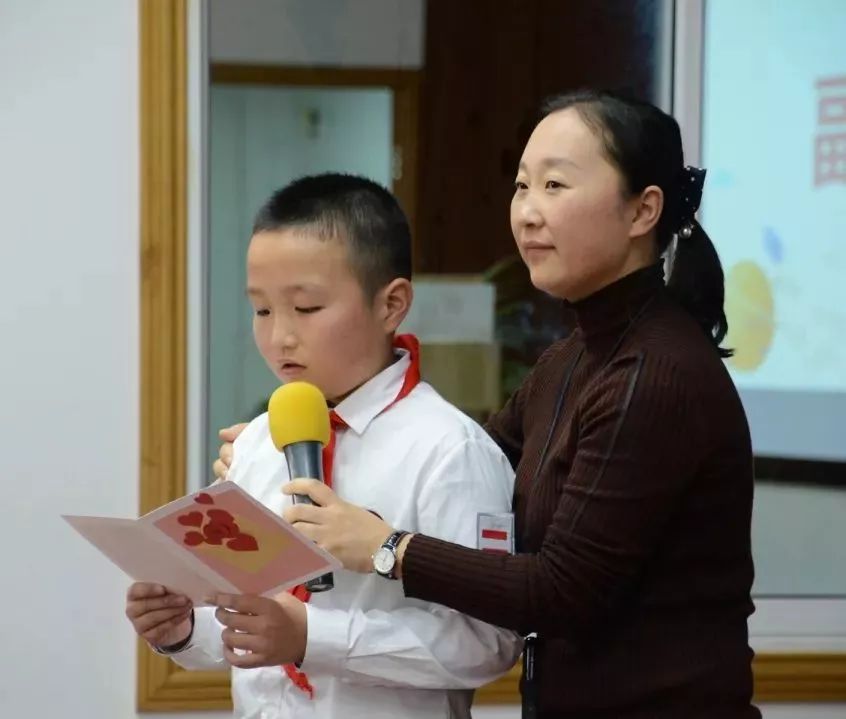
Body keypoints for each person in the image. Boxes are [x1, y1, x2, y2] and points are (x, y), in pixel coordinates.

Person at [216, 91, 762, 719]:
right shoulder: (571, 358)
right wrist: (276, 451)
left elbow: (563, 591)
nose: (528, 212)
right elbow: (470, 460)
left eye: (555, 185)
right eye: (522, 185)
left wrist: (387, 547)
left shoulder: (656, 374)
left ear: (643, 210)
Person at [126, 173, 522, 719]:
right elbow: (249, 625)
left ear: (392, 304)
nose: (279, 336)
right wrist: (185, 627)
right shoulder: (258, 442)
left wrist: (314, 636)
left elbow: (488, 643)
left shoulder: (450, 450)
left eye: (306, 309)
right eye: (262, 310)